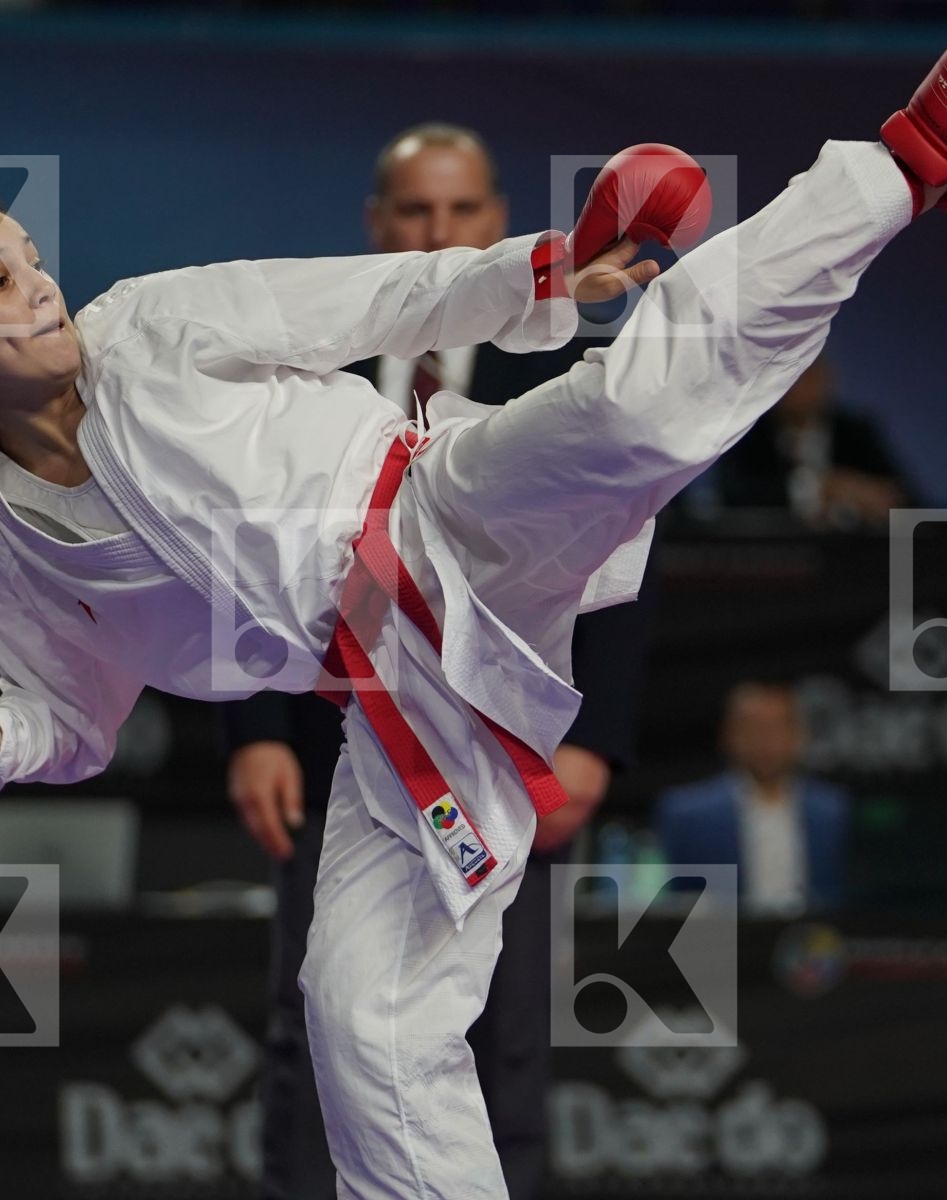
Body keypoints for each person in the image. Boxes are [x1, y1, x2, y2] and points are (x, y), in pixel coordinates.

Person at [0, 26, 947, 1197]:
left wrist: (546, 267)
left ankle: (908, 158)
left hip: (439, 509)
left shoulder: (151, 324)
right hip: (395, 703)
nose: (41, 289)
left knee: (640, 409)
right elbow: (73, 717)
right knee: (361, 1018)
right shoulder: (11, 550)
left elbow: (370, 304)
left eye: (33, 261)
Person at [218, 121, 649, 1200]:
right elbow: (243, 549)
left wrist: (593, 746)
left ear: (495, 223)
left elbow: (623, 556)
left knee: (502, 1028)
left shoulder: (555, 364)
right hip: (328, 756)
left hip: (507, 756)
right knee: (317, 1014)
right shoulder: (305, 373)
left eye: (460, 213)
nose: (436, 231)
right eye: (414, 211)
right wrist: (254, 733)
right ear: (376, 225)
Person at [654, 681, 850, 916]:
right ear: (729, 734)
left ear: (799, 734)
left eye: (777, 727)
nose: (767, 740)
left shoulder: (833, 812)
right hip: (722, 946)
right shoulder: (686, 814)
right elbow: (675, 904)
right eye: (755, 728)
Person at [706, 354, 912, 529]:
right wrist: (814, 490)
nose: (801, 387)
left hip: (851, 554)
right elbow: (732, 499)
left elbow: (906, 498)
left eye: (810, 375)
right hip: (774, 557)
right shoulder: (748, 434)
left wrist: (871, 494)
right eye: (793, 377)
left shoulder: (855, 431)